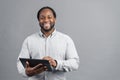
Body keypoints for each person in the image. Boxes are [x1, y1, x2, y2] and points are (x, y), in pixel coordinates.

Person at [17, 6, 79, 80]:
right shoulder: (29, 40)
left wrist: (56, 63)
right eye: (42, 18)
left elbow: (75, 63)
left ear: (54, 19)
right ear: (39, 20)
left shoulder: (66, 40)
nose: (46, 20)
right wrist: (26, 72)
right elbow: (20, 64)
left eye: (49, 17)